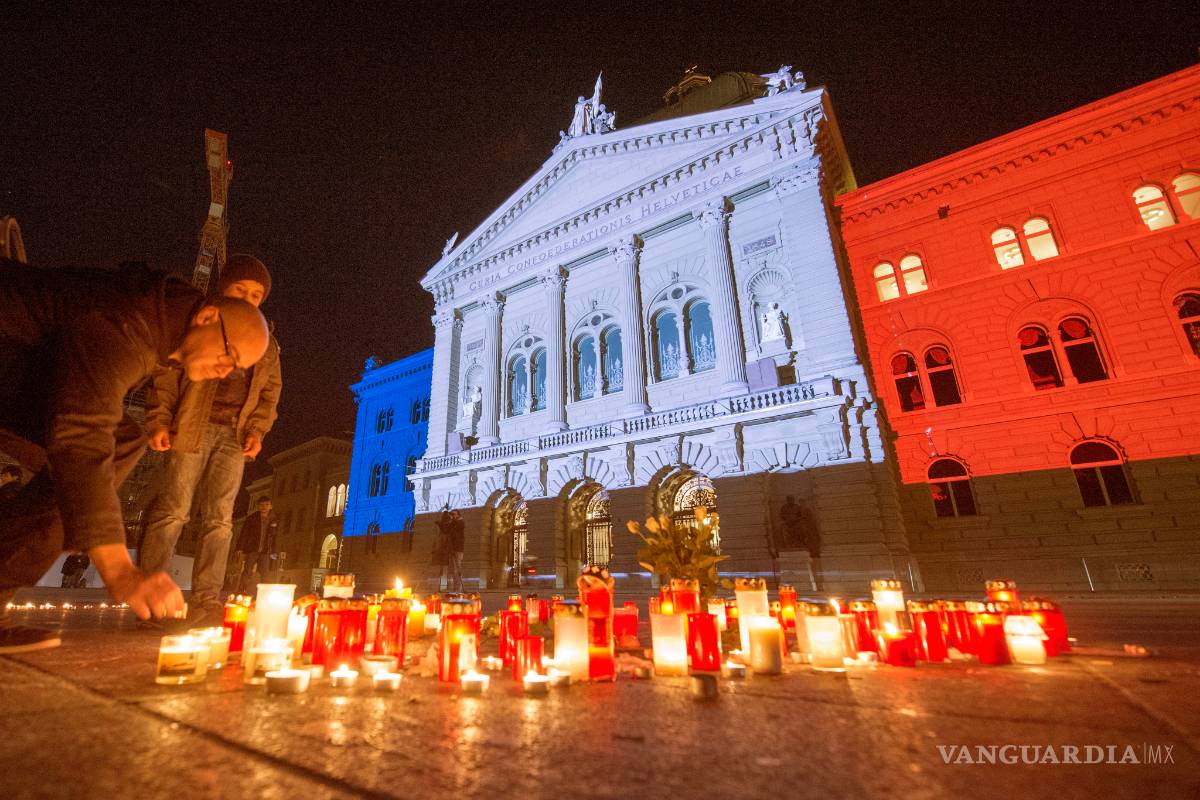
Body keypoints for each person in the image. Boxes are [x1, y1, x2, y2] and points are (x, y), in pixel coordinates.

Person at [0, 258, 270, 652]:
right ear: (208, 316)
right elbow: (81, 433)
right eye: (228, 356)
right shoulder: (130, 325)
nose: (225, 372)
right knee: (92, 450)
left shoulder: (167, 317)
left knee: (122, 441)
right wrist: (119, 569)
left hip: (20, 361)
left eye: (236, 368)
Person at [138, 255, 282, 627]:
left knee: (220, 519)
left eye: (255, 295)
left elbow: (270, 394)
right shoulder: (201, 320)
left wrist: (257, 431)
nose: (247, 299)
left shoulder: (266, 343)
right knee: (173, 510)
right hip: (192, 427)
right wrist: (159, 420)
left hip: (234, 435)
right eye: (240, 289)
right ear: (223, 287)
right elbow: (167, 375)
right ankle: (151, 595)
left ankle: (206, 599)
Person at [234, 496, 278, 591]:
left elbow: (274, 537)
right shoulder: (251, 518)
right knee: (247, 571)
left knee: (265, 573)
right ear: (258, 506)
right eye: (261, 505)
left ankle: (264, 593)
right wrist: (239, 548)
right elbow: (244, 533)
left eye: (267, 504)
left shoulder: (273, 519)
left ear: (271, 506)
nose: (264, 507)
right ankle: (241, 591)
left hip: (265, 551)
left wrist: (274, 551)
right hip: (252, 549)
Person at [447, 509, 465, 593]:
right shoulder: (453, 523)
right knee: (453, 570)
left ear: (458, 515)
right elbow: (447, 530)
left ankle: (458, 589)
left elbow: (456, 528)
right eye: (452, 514)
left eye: (454, 514)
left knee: (457, 569)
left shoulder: (460, 522)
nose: (452, 516)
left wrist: (452, 521)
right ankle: (455, 589)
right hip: (452, 549)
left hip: (458, 549)